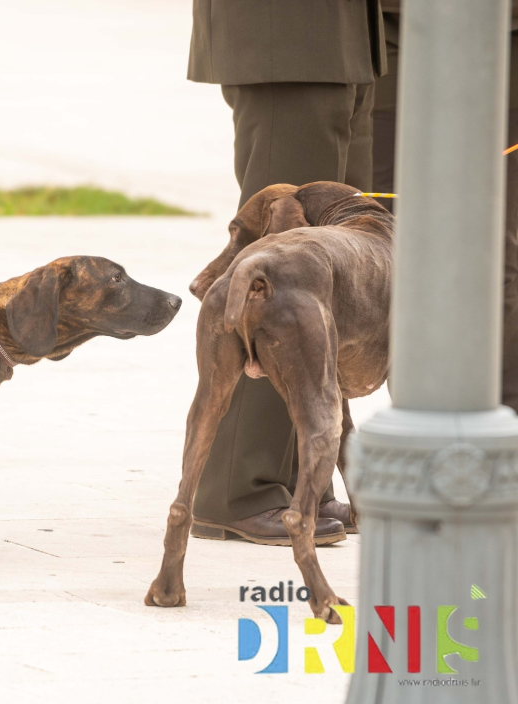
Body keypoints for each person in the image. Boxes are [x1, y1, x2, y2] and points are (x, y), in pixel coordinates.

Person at [185, 0, 387, 544]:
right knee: (279, 275)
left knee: (333, 273)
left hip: (344, 39)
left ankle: (302, 480)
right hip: (289, 34)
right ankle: (238, 488)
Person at [372, 0, 518, 414]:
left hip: (504, 33)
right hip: (386, 29)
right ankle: (416, 410)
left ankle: (501, 418)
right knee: (386, 242)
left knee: (494, 246)